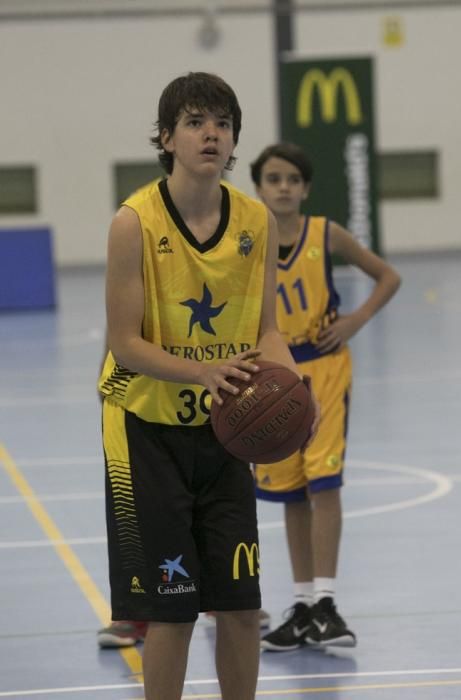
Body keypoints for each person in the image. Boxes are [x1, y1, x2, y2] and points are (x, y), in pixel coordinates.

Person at [98, 75, 316, 700]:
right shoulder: (133, 222)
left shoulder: (256, 220)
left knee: (241, 606)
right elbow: (124, 342)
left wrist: (296, 389)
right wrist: (201, 371)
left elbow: (267, 330)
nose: (211, 133)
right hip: (145, 431)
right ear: (166, 138)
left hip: (224, 434)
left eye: (222, 122)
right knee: (171, 612)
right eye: (195, 121)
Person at [250, 142, 401, 652]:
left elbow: (388, 276)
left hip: (324, 369)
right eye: (274, 178)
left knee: (325, 482)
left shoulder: (324, 233)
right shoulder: (246, 242)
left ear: (306, 188)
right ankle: (301, 603)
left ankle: (327, 601)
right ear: (259, 188)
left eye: (293, 178)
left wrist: (356, 320)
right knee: (291, 492)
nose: (284, 186)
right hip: (274, 376)